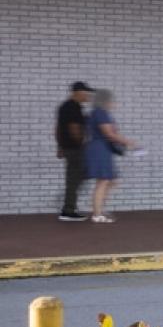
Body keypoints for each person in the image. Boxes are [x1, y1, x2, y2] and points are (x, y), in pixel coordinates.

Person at [85, 89, 140, 223]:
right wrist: (128, 142)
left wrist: (124, 142)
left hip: (102, 149)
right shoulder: (100, 113)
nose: (114, 103)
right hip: (100, 150)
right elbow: (109, 134)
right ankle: (97, 214)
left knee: (111, 181)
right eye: (112, 100)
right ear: (105, 101)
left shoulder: (98, 113)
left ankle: (98, 208)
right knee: (103, 181)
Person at [54, 81, 93, 222]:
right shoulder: (74, 107)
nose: (88, 95)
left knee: (74, 178)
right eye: (86, 92)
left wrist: (60, 147)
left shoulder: (64, 106)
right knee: (74, 179)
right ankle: (68, 210)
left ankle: (69, 206)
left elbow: (58, 128)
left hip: (68, 148)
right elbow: (74, 128)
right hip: (75, 149)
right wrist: (81, 144)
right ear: (77, 92)